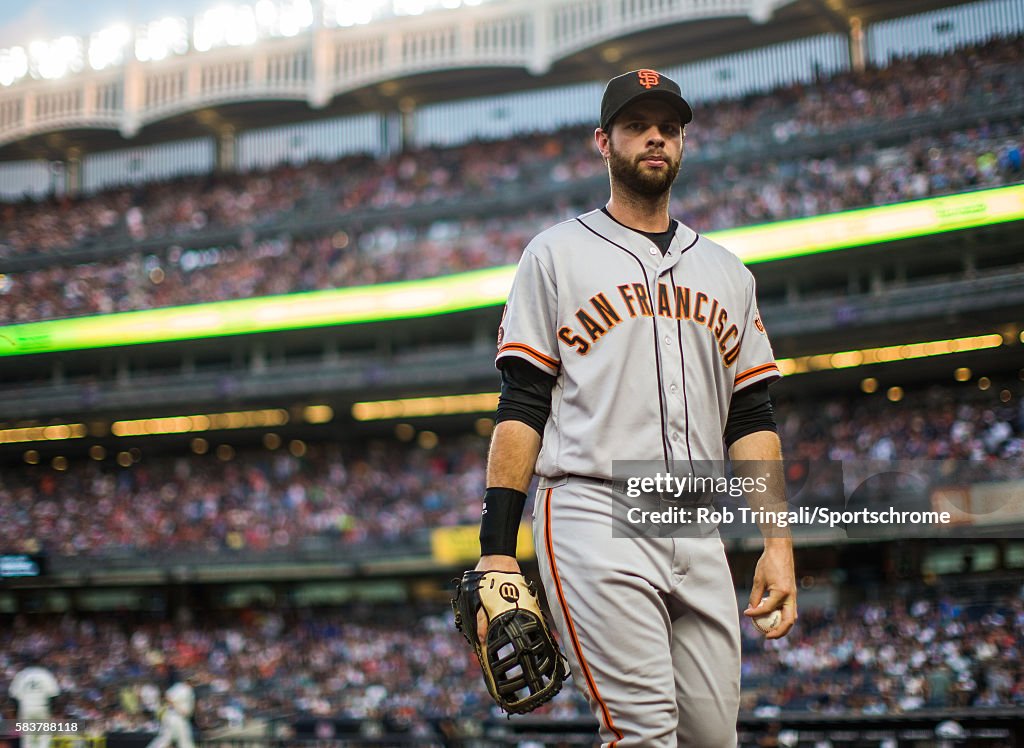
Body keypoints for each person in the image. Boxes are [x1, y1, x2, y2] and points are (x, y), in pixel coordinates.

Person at [473, 69, 797, 747]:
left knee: (713, 738)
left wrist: (777, 541)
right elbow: (523, 403)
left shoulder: (729, 274)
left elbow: (751, 418)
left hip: (694, 516)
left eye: (669, 127)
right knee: (643, 734)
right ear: (604, 142)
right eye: (637, 125)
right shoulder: (555, 255)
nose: (656, 136)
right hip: (594, 507)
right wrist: (497, 551)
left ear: (681, 145)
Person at [8, 664, 60, 748]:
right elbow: (54, 695)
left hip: (26, 708)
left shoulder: (22, 674)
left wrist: (16, 712)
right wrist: (52, 711)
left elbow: (13, 696)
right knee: (43, 736)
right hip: (42, 708)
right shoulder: (45, 674)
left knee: (28, 738)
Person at [146, 683, 195, 748]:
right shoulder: (181, 687)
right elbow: (168, 697)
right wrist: (178, 708)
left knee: (168, 739)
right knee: (168, 740)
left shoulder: (188, 690)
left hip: (179, 718)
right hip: (175, 718)